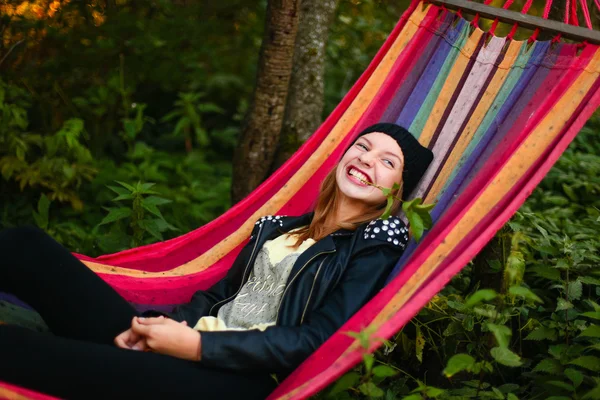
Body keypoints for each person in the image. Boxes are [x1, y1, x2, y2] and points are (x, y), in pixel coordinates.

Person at [0, 123, 433, 399]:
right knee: (27, 244)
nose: (366, 159)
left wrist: (197, 347)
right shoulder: (277, 228)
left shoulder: (373, 245)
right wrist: (159, 330)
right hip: (183, 343)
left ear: (398, 190)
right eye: (362, 146)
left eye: (386, 161)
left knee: (23, 349)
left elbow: (314, 339)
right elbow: (218, 297)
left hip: (236, 379)